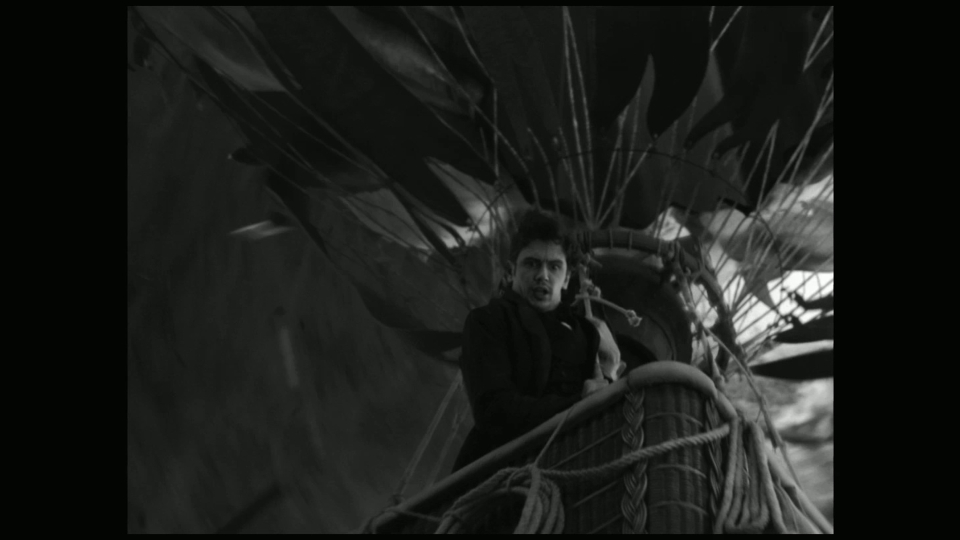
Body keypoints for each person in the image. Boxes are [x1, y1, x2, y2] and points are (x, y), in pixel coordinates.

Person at [452, 211, 622, 472]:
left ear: (567, 278)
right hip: (499, 471)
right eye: (531, 264)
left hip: (573, 465)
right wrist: (578, 404)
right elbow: (493, 411)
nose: (543, 275)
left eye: (554, 267)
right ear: (512, 271)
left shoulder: (587, 333)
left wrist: (610, 374)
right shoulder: (488, 321)